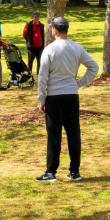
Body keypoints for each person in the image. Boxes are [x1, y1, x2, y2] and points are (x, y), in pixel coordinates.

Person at [36, 17, 99, 182]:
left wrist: (42, 98)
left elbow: (42, 76)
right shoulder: (77, 48)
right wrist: (79, 84)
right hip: (72, 95)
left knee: (54, 133)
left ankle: (51, 172)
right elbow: (94, 67)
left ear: (55, 30)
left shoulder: (49, 49)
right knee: (73, 132)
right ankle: (75, 171)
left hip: (54, 96)